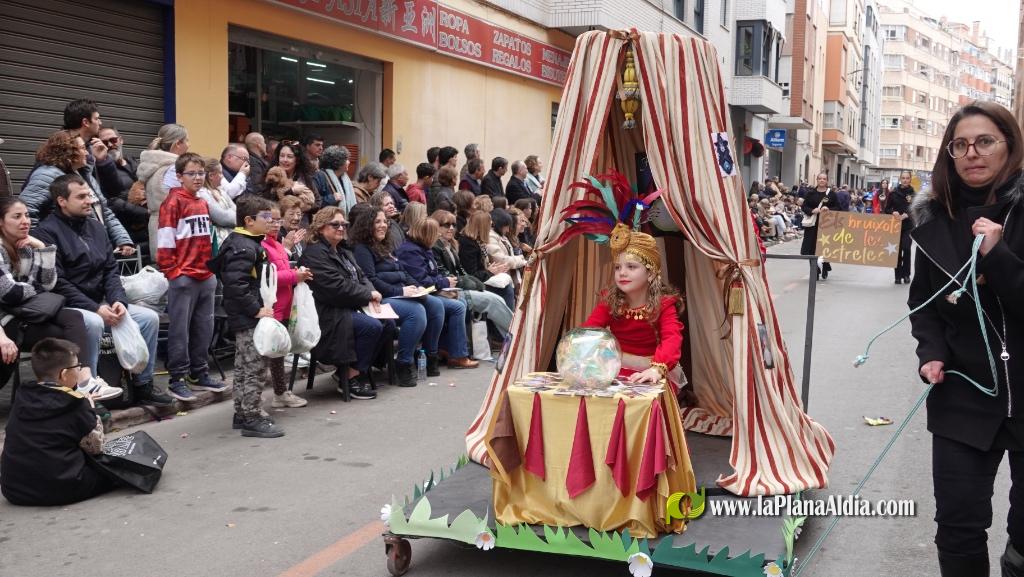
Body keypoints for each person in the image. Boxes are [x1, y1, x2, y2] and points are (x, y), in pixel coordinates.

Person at [907, 100, 1024, 577]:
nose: (972, 153)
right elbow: (925, 308)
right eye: (960, 145)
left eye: (985, 141)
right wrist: (931, 353)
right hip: (961, 393)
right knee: (957, 526)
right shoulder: (932, 221)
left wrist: (997, 254)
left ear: (1010, 146)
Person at [35, 174, 166, 406]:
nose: (89, 201)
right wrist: (95, 308)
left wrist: (118, 301)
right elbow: (58, 282)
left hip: (102, 302)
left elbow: (110, 270)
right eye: (81, 196)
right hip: (70, 307)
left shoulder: (96, 227)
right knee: (93, 322)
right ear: (61, 201)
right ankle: (91, 394)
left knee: (148, 318)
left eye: (89, 196)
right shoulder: (46, 232)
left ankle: (142, 386)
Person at [0, 197, 116, 399]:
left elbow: (47, 283)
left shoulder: (25, 247)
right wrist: (34, 289)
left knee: (75, 319)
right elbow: (10, 293)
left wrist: (43, 248)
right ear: (1, 222)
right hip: (8, 320)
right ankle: (61, 393)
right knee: (62, 336)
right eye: (17, 216)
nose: (25, 221)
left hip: (28, 311)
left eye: (27, 215)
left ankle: (85, 380)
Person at [0, 338, 115, 506]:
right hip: (62, 488)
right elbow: (96, 447)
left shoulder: (23, 394)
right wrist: (91, 409)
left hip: (15, 490)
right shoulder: (74, 402)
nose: (80, 370)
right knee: (113, 469)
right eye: (77, 367)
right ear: (64, 374)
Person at [207, 195, 284, 438]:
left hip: (244, 316)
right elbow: (236, 284)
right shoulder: (244, 246)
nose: (270, 222)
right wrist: (256, 309)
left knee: (242, 365)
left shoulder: (247, 242)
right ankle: (251, 416)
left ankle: (242, 412)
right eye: (266, 217)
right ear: (249, 220)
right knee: (254, 367)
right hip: (248, 317)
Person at [350, 205, 449, 386]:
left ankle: (429, 357)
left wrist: (417, 287)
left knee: (435, 305)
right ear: (366, 225)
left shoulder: (385, 246)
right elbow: (371, 280)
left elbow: (403, 272)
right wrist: (401, 291)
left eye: (385, 222)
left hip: (400, 293)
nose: (383, 225)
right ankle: (403, 363)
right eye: (377, 222)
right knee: (416, 311)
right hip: (381, 298)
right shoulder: (362, 249)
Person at [300, 207, 393, 399]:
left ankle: (356, 369)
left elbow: (361, 276)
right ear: (320, 227)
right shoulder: (315, 254)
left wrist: (372, 293)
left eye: (344, 224)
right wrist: (368, 295)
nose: (341, 228)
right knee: (371, 327)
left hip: (349, 305)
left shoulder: (343, 251)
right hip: (327, 312)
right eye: (335, 224)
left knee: (388, 323)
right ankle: (350, 378)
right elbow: (336, 288)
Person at [157, 152, 227, 401]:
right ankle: (177, 378)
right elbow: (164, 241)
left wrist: (212, 270)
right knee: (180, 330)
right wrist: (173, 272)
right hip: (183, 276)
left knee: (203, 327)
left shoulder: (202, 202)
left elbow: (209, 237)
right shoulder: (173, 202)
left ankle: (200, 372)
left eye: (201, 173)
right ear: (179, 176)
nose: (198, 178)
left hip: (205, 275)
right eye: (191, 173)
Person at [20, 130, 135, 255]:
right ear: (68, 151)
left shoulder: (84, 173)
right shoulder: (47, 174)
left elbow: (104, 211)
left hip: (93, 248)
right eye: (82, 148)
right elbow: (26, 210)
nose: (87, 152)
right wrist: (43, 245)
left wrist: (123, 240)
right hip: (69, 253)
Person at [395, 218, 478, 369]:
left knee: (461, 301)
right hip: (418, 293)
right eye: (435, 233)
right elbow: (422, 280)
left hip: (431, 290)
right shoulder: (410, 251)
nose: (437, 237)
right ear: (426, 234)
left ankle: (449, 348)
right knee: (457, 307)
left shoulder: (424, 248)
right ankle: (457, 355)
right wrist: (444, 283)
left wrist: (443, 281)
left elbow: (433, 273)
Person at [429, 210, 513, 338]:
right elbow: (449, 274)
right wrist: (488, 273)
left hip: (461, 286)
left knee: (499, 296)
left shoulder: (451, 245)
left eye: (453, 225)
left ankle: (509, 338)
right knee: (494, 300)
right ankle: (516, 335)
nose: (451, 228)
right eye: (446, 225)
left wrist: (480, 278)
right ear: (436, 226)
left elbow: (461, 271)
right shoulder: (439, 246)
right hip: (452, 290)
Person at [261, 203, 312, 408]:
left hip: (284, 305)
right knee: (267, 354)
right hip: (271, 307)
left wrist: (289, 253)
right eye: (270, 220)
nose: (274, 224)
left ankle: (280, 393)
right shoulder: (262, 245)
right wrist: (295, 275)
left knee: (278, 353)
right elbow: (270, 275)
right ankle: (258, 399)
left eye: (277, 220)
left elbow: (283, 265)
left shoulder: (275, 243)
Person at [137, 123, 190, 260]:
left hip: (158, 224)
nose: (189, 145)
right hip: (174, 228)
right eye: (187, 140)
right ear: (178, 143)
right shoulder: (173, 169)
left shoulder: (154, 166)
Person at [94, 127, 148, 245]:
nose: (109, 145)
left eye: (113, 140)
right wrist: (145, 212)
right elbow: (111, 201)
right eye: (104, 142)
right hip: (125, 232)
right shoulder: (99, 170)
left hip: (146, 229)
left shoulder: (133, 162)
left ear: (120, 140)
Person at [459, 211, 514, 310]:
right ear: (483, 226)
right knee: (506, 290)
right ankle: (509, 324)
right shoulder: (468, 244)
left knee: (507, 286)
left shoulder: (477, 241)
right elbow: (471, 274)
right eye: (490, 224)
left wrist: (495, 269)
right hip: (473, 284)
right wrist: (490, 272)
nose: (491, 227)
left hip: (481, 279)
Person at [800, 172, 841, 280]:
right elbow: (804, 207)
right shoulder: (810, 193)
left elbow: (838, 207)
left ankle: (825, 266)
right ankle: (815, 271)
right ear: (817, 180)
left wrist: (828, 209)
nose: (822, 180)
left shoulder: (831, 194)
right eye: (820, 179)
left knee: (825, 246)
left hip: (826, 225)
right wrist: (812, 210)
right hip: (812, 224)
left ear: (827, 181)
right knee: (811, 248)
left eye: (824, 179)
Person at [197, 157, 238, 253]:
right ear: (211, 176)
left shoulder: (221, 191)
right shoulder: (203, 193)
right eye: (220, 173)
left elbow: (237, 211)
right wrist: (233, 214)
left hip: (230, 237)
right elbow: (222, 217)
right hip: (218, 242)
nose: (222, 176)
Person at [268, 141, 321, 211]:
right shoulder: (272, 175)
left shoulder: (305, 177)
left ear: (297, 160)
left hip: (303, 220)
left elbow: (318, 202)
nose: (285, 160)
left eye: (289, 157)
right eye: (282, 156)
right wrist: (292, 191)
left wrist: (304, 207)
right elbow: (268, 201)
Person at [486, 209, 528, 293]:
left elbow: (510, 257)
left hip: (508, 280)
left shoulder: (502, 236)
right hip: (500, 283)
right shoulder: (490, 237)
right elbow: (502, 260)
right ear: (500, 225)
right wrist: (522, 260)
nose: (508, 230)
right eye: (507, 226)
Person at [886, 170, 915, 284]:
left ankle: (906, 274)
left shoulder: (914, 194)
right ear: (900, 179)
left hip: (909, 226)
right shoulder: (893, 193)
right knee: (896, 251)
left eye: (907, 178)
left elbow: (917, 210)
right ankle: (897, 275)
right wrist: (893, 212)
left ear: (910, 179)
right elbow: (887, 209)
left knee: (906, 248)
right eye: (903, 178)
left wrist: (908, 214)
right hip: (895, 226)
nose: (905, 180)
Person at [319, 145, 356, 212]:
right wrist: (332, 198)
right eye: (346, 159)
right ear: (338, 162)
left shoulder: (345, 179)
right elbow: (314, 202)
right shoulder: (320, 176)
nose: (349, 162)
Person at [279, 196, 307, 260]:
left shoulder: (301, 234)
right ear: (281, 216)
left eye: (299, 214)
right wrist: (286, 248)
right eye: (291, 214)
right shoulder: (277, 237)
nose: (296, 218)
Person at [243, 132, 269, 196]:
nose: (265, 145)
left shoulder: (255, 160)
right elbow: (257, 186)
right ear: (259, 145)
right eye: (264, 142)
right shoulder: (254, 163)